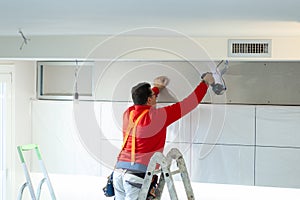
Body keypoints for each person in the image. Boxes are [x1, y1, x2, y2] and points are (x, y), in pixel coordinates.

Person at [113, 73, 215, 200]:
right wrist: (205, 83)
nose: (155, 96)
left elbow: (143, 103)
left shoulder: (128, 114)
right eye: (152, 95)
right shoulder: (158, 117)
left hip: (118, 172)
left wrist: (156, 87)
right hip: (137, 176)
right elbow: (189, 104)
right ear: (149, 99)